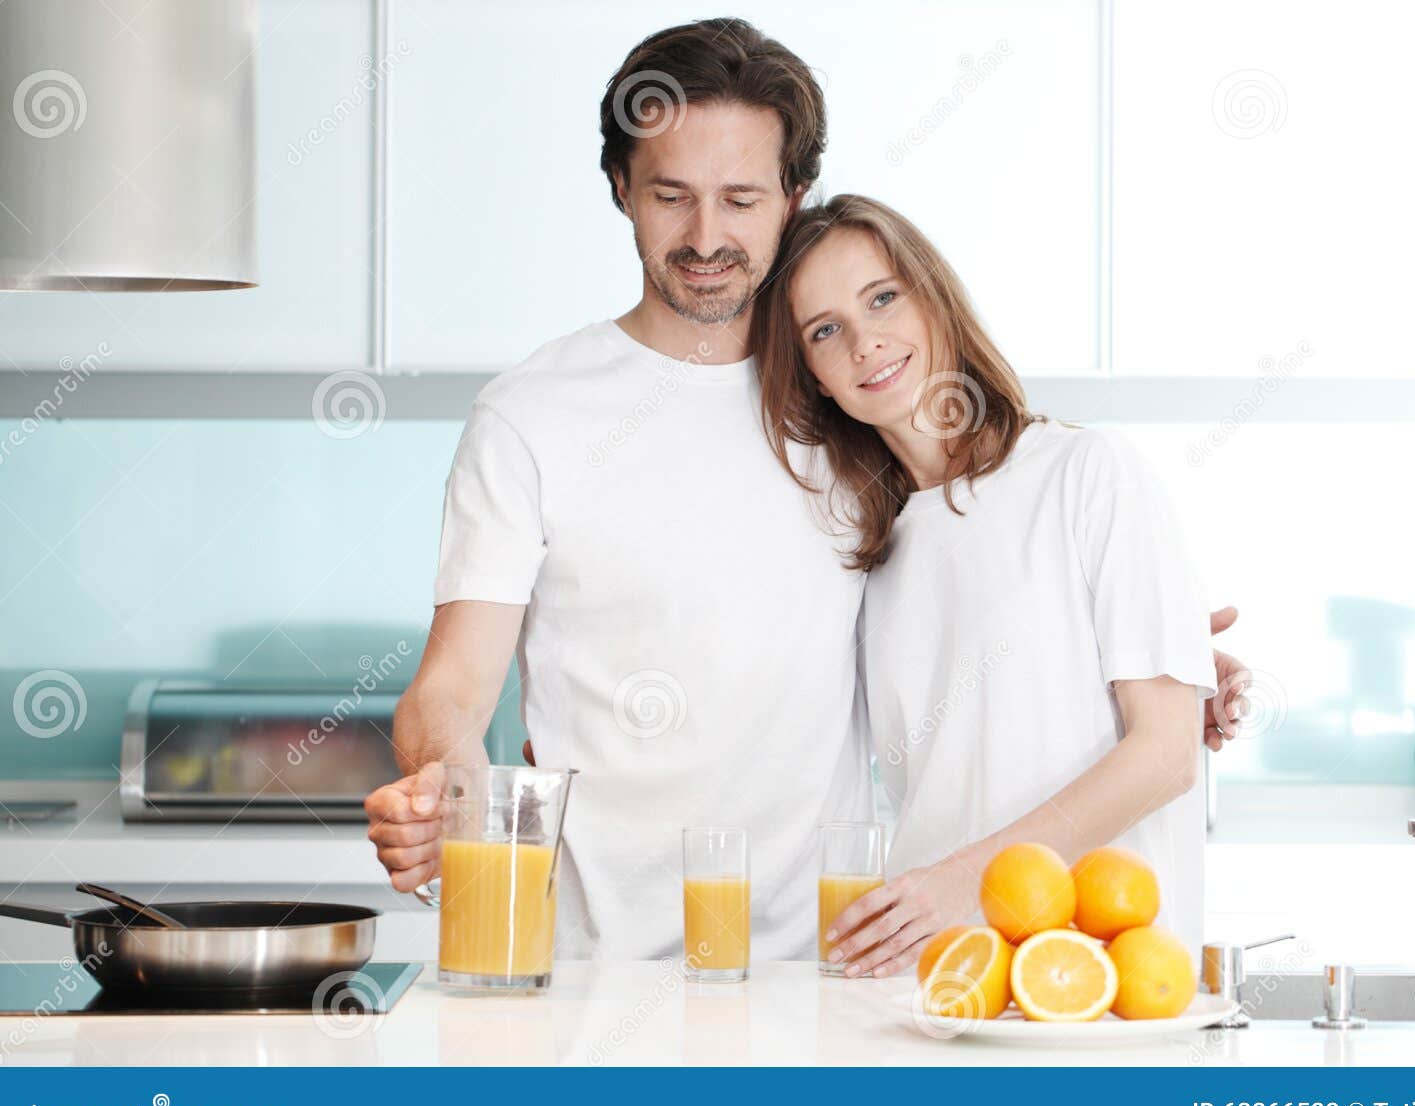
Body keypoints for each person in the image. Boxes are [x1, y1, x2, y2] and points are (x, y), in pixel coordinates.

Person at [363, 19, 1248, 966]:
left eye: (741, 198)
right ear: (621, 188)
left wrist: (1149, 657)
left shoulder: (845, 417)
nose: (706, 237)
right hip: (595, 968)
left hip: (829, 969)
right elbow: (451, 690)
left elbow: (992, 571)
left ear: (793, 198)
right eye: (671, 195)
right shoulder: (529, 417)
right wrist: (443, 786)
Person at [751, 194, 1218, 976]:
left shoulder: (1085, 472)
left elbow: (1168, 751)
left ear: (933, 297)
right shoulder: (867, 553)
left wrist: (962, 884)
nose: (866, 342)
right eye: (825, 331)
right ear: (815, 378)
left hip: (1096, 981)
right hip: (940, 986)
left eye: (883, 298)